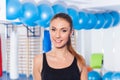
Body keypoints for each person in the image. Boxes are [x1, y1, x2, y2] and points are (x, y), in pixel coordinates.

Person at [33, 13, 88, 80]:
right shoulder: (39, 61)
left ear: (70, 33)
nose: (57, 35)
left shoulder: (80, 61)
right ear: (49, 31)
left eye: (63, 30)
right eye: (53, 29)